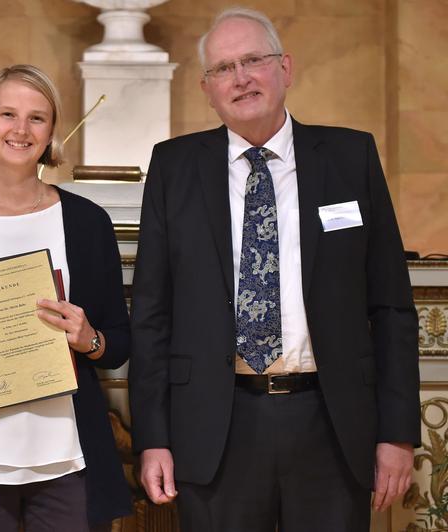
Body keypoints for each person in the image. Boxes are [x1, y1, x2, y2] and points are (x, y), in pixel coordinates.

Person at [128, 7, 420, 531]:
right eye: (223, 69)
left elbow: (393, 307)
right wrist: (153, 439)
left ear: (284, 68)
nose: (240, 78)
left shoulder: (351, 157)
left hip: (332, 425)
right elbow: (151, 315)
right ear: (207, 88)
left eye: (253, 60)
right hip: (215, 427)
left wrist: (397, 433)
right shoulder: (173, 167)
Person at [0, 64, 132, 531]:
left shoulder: (87, 223)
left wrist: (88, 338)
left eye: (37, 117)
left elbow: (119, 340)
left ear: (52, 130)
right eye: (8, 114)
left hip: (68, 460)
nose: (20, 129)